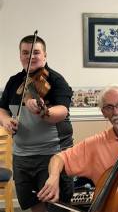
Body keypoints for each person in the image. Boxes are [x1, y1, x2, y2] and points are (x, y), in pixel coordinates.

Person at [0, 35, 74, 212]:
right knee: (35, 206)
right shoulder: (14, 81)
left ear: (45, 55)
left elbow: (62, 112)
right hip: (22, 158)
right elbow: (2, 110)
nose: (30, 56)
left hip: (52, 155)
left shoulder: (56, 80)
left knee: (56, 207)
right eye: (25, 52)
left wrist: (43, 112)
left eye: (36, 52)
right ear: (20, 56)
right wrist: (6, 121)